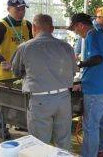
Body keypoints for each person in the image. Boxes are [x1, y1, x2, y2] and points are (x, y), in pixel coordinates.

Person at [11, 14, 77, 150]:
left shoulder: (24, 47)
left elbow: (16, 72)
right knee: (63, 142)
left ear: (34, 28)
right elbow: (73, 72)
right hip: (64, 99)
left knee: (40, 145)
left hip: (40, 100)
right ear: (52, 29)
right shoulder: (66, 47)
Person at [67, 13, 103, 157]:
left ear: (80, 25)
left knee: (90, 126)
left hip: (95, 89)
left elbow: (97, 58)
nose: (76, 32)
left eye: (75, 29)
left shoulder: (91, 37)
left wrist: (80, 64)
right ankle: (102, 150)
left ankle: (89, 154)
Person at [0, 0, 33, 139]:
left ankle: (19, 123)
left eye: (23, 9)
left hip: (22, 71)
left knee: (21, 100)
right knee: (2, 102)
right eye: (18, 9)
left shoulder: (27, 24)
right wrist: (1, 61)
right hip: (5, 72)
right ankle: (1, 127)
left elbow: (31, 44)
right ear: (8, 9)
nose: (21, 12)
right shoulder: (1, 26)